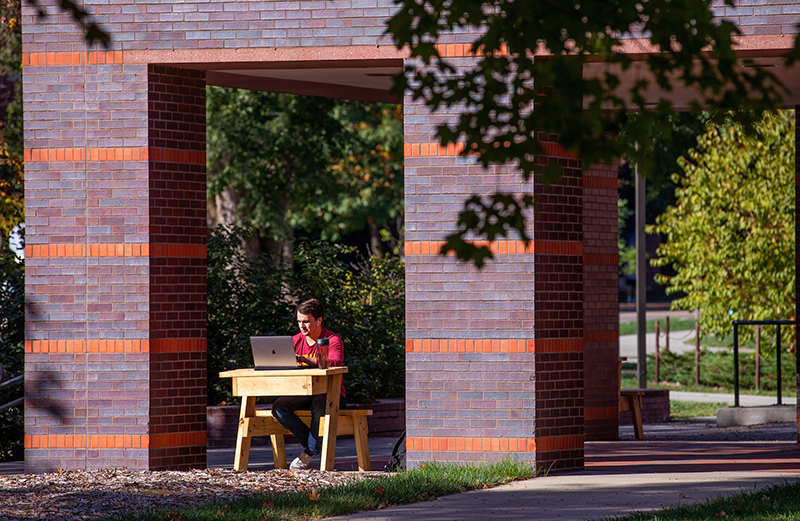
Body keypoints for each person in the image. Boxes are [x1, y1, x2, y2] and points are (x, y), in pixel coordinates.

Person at [272, 298, 345, 470]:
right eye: (299, 321)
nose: (301, 326)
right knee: (279, 407)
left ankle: (308, 453)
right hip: (303, 393)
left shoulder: (332, 339)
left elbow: (334, 362)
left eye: (306, 321)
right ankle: (315, 446)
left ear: (319, 320)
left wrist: (305, 359)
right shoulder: (294, 341)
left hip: (331, 394)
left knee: (320, 403)